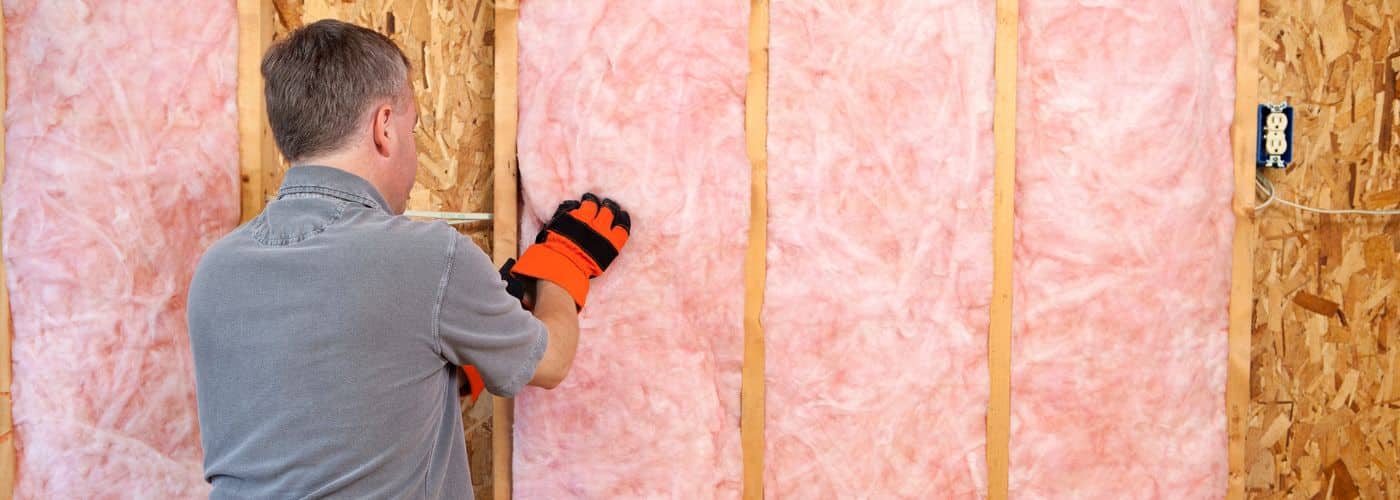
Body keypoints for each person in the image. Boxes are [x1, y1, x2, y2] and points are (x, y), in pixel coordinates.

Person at [186, 19, 629, 499]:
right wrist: (563, 264)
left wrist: (466, 341)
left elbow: (331, 406)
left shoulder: (217, 270)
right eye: (412, 126)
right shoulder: (431, 260)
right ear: (383, 128)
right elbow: (550, 361)